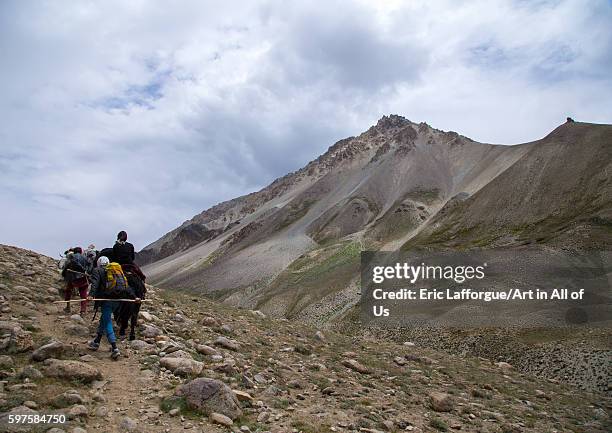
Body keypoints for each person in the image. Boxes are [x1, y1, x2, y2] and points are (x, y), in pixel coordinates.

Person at [87, 256, 121, 359]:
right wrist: (134, 297)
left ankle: (115, 348)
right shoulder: (114, 271)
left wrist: (91, 295)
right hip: (118, 300)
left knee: (107, 322)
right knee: (104, 319)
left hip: (106, 301)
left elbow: (95, 284)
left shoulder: (97, 270)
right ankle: (96, 342)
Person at [61, 247, 89, 316]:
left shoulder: (71, 257)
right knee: (83, 294)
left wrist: (64, 274)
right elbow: (88, 267)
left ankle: (68, 307)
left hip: (73, 278)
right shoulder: (85, 258)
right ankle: (83, 310)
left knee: (68, 291)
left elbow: (67, 266)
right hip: (83, 277)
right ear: (81, 252)